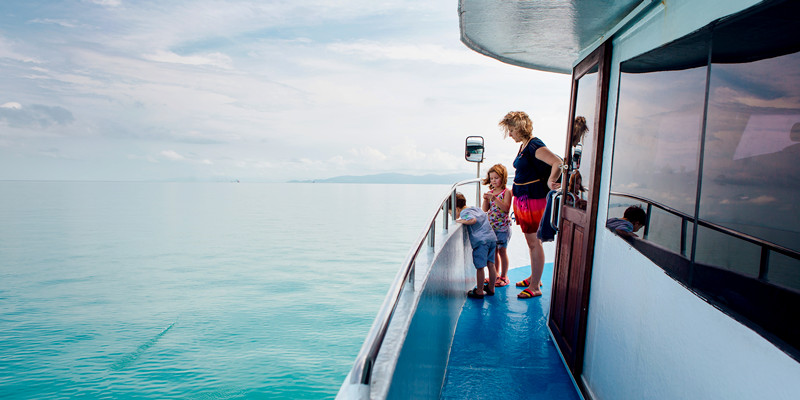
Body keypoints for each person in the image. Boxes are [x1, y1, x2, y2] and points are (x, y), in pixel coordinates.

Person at [499, 111, 563, 299]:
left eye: (511, 130)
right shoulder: (524, 146)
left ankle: (535, 286)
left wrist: (551, 181)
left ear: (520, 128)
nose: (509, 134)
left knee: (534, 243)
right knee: (531, 242)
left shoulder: (535, 145)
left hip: (533, 201)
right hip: (524, 200)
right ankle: (535, 277)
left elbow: (557, 163)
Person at [455, 192, 498, 299]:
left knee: (480, 267)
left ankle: (479, 291)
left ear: (456, 209)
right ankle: (491, 288)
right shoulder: (476, 208)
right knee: (491, 265)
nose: (452, 215)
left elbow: (472, 220)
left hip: (481, 242)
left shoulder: (464, 212)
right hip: (492, 239)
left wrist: (459, 220)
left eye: (451, 213)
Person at [482, 164, 513, 287]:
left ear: (503, 178)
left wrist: (494, 199)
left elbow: (506, 209)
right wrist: (486, 199)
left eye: (496, 178)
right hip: (492, 228)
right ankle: (494, 275)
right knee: (494, 252)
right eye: (491, 178)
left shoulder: (507, 192)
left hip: (503, 228)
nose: (493, 181)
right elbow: (485, 209)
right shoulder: (491, 193)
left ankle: (504, 276)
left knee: (502, 251)